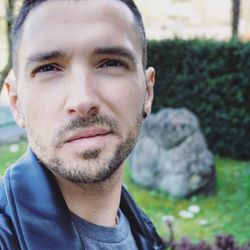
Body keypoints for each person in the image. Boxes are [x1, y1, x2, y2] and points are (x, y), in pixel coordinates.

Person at [0, 0, 164, 249]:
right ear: (16, 103)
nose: (83, 100)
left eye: (111, 63)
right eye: (48, 69)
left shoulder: (144, 234)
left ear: (148, 92)